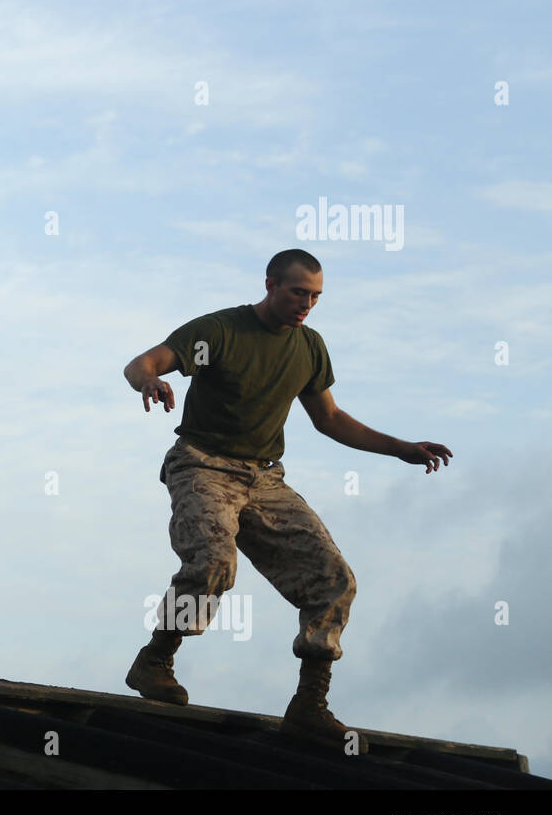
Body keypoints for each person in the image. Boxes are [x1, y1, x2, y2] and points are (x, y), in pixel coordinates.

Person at [122, 249, 452, 752]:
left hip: (264, 479)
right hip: (203, 464)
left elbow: (330, 419)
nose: (307, 304)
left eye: (316, 296)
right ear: (271, 285)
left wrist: (401, 448)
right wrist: (150, 379)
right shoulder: (220, 332)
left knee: (333, 580)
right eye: (299, 292)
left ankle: (309, 706)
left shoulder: (309, 348)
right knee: (214, 563)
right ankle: (156, 659)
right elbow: (143, 361)